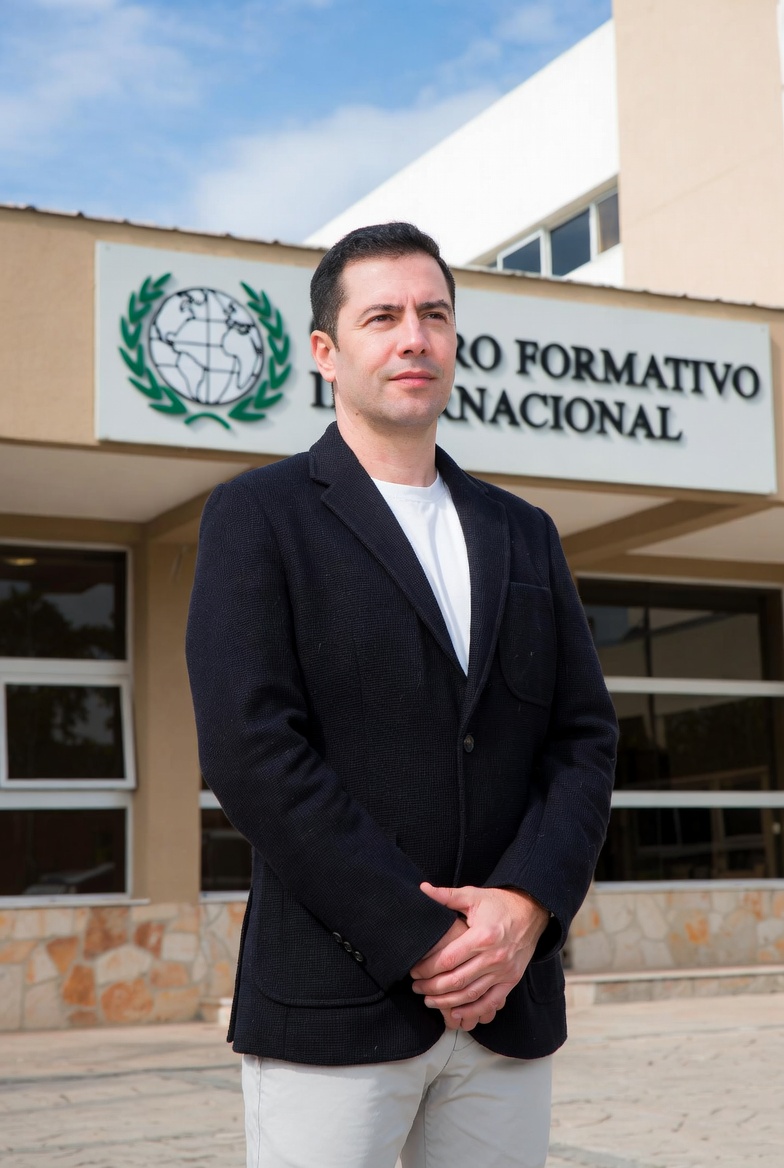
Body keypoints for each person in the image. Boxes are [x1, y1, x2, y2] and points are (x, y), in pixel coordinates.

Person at [185, 222, 617, 1168]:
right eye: (382, 317)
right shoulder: (259, 516)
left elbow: (583, 741)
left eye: (435, 315)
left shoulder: (525, 531)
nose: (414, 337)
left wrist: (525, 908)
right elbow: (253, 753)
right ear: (326, 352)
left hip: (506, 1003)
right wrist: (423, 938)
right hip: (335, 1006)